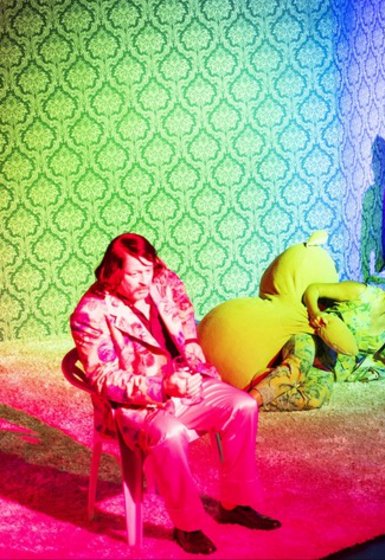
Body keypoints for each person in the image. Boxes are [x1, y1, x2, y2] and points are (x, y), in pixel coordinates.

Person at [69, 233, 280, 555]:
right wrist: (162, 387)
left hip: (186, 383)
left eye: (148, 270)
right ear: (114, 271)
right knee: (170, 434)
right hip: (134, 405)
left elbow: (184, 316)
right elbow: (103, 378)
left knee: (244, 405)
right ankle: (187, 525)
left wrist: (191, 355)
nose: (145, 280)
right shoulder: (90, 313)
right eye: (134, 274)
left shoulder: (162, 278)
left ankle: (236, 504)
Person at [249, 263, 385, 411]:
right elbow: (314, 290)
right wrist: (315, 313)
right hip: (311, 343)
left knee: (315, 399)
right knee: (295, 369)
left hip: (327, 369)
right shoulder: (361, 293)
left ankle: (255, 402)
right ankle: (246, 404)